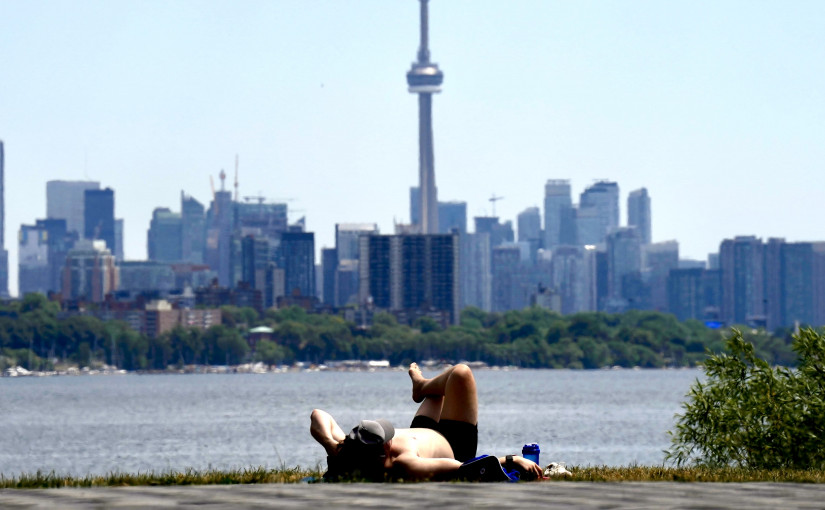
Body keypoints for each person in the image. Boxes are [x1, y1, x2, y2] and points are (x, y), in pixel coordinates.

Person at [310, 362, 544, 481]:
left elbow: (318, 414)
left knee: (438, 392)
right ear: (386, 447)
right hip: (453, 443)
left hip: (422, 430)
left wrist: (331, 446)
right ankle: (421, 385)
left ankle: (423, 386)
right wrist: (514, 460)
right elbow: (467, 468)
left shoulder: (350, 449)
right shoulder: (407, 463)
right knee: (460, 373)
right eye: (387, 436)